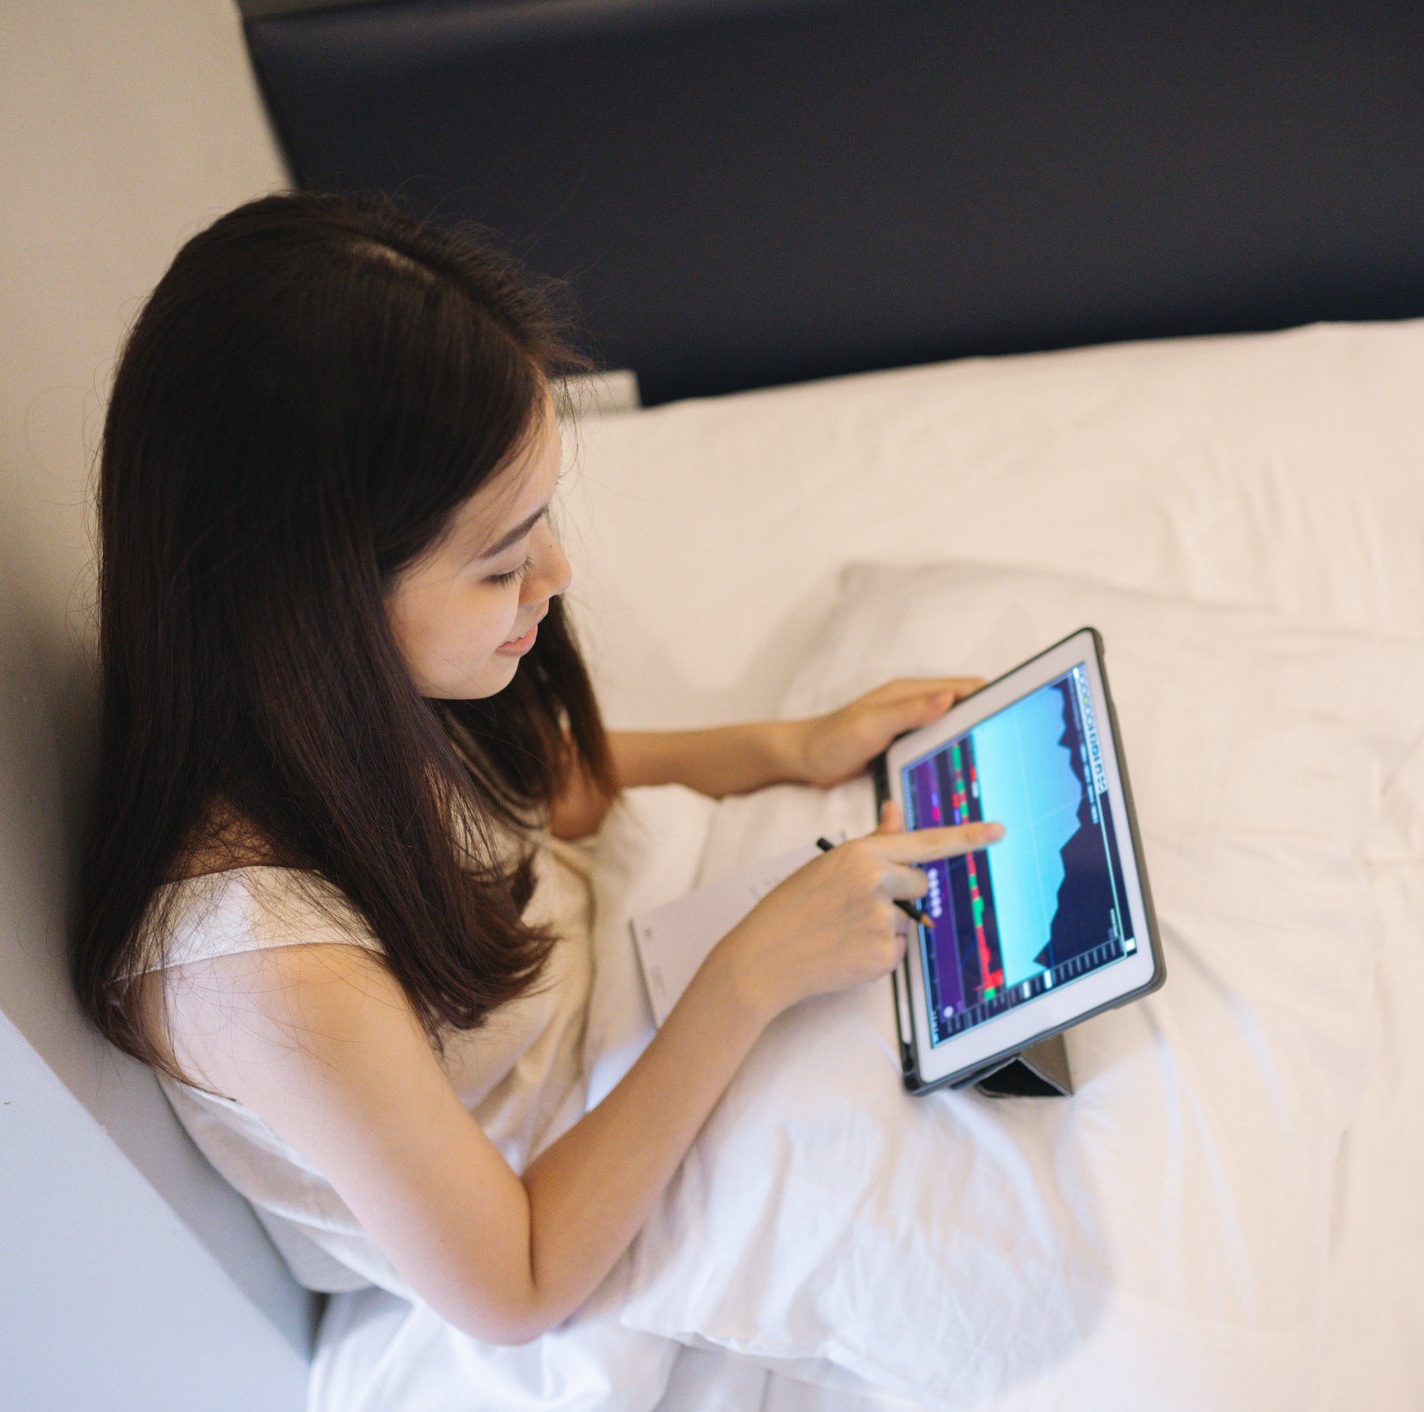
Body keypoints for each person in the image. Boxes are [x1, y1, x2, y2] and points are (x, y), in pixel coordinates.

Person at [68, 189, 1005, 1347]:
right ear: (315, 603)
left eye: (544, 515)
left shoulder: (338, 709)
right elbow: (511, 1286)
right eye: (501, 559)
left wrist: (785, 747)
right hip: (565, 1184)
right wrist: (746, 976)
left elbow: (527, 792)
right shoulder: (260, 969)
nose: (553, 573)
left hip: (615, 989)